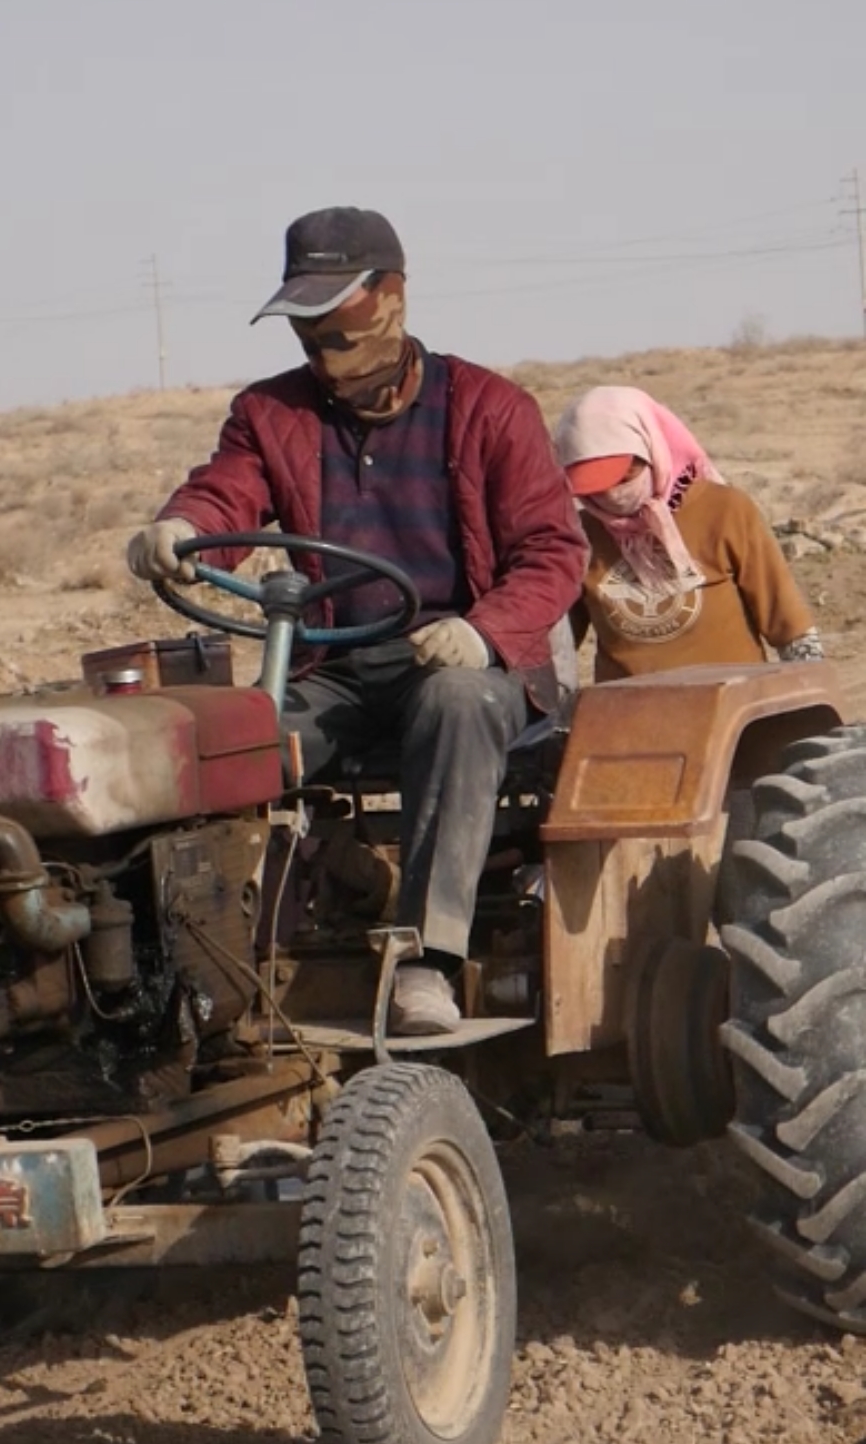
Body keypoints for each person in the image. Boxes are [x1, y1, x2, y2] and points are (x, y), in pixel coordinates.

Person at [126, 206, 587, 1035]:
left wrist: (482, 632)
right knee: (227, 734)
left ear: (393, 299)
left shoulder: (490, 407)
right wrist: (183, 528)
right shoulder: (272, 415)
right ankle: (207, 969)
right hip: (336, 665)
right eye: (304, 320)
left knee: (456, 702)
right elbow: (227, 488)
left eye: (335, 316)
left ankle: (427, 961)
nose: (318, 340)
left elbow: (554, 552)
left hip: (462, 661)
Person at [553, 385, 823, 680]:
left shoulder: (725, 511)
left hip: (732, 707)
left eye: (623, 477)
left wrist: (810, 692)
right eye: (593, 488)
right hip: (625, 714)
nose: (611, 495)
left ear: (651, 451)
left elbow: (788, 623)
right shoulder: (579, 534)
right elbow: (556, 647)